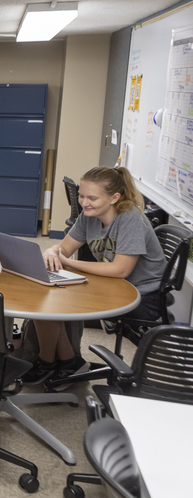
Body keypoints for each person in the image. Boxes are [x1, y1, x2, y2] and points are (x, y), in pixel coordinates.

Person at [24, 165, 166, 387]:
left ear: (114, 198)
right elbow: (64, 248)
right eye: (81, 195)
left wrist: (68, 262)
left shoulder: (129, 219)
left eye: (92, 197)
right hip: (111, 285)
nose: (84, 202)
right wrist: (52, 250)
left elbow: (121, 270)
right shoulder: (89, 216)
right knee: (44, 299)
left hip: (140, 294)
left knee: (55, 305)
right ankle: (63, 361)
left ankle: (52, 362)